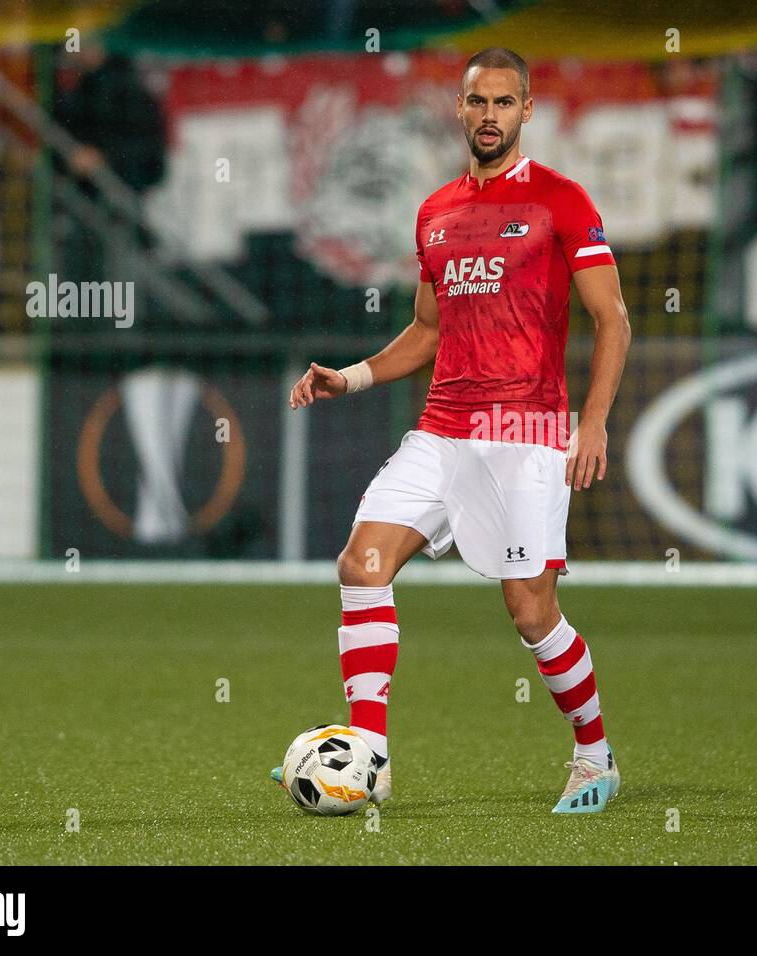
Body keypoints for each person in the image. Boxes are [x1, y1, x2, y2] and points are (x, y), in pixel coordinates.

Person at [276, 48, 632, 813]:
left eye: (505, 103)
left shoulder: (562, 201)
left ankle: (594, 755)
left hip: (528, 431)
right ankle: (369, 754)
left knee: (531, 613)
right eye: (478, 102)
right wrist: (354, 376)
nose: (490, 116)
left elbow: (613, 319)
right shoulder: (435, 211)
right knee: (361, 563)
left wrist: (592, 423)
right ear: (460, 109)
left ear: (527, 111)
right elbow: (425, 331)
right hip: (442, 431)